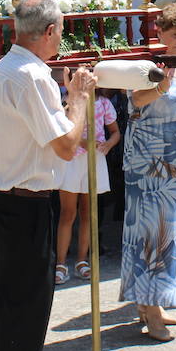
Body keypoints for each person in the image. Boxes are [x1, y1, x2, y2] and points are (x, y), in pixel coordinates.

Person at [0, 0, 94, 351]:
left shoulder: (5, 69)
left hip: (8, 197)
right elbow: (65, 146)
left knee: (20, 297)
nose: (61, 39)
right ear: (48, 32)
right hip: (22, 201)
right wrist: (78, 97)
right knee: (24, 299)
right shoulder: (30, 77)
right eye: (60, 31)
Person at [121, 2, 176, 342]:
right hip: (149, 162)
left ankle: (155, 301)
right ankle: (150, 308)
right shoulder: (145, 62)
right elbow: (137, 101)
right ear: (159, 31)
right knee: (150, 235)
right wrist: (163, 82)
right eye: (175, 35)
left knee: (174, 236)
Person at [54, 84, 118, 284]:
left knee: (88, 212)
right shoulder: (68, 101)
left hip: (95, 158)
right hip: (72, 159)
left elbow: (115, 132)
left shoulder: (104, 103)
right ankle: (60, 263)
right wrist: (80, 143)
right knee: (67, 212)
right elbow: (61, 130)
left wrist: (108, 143)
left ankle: (82, 261)